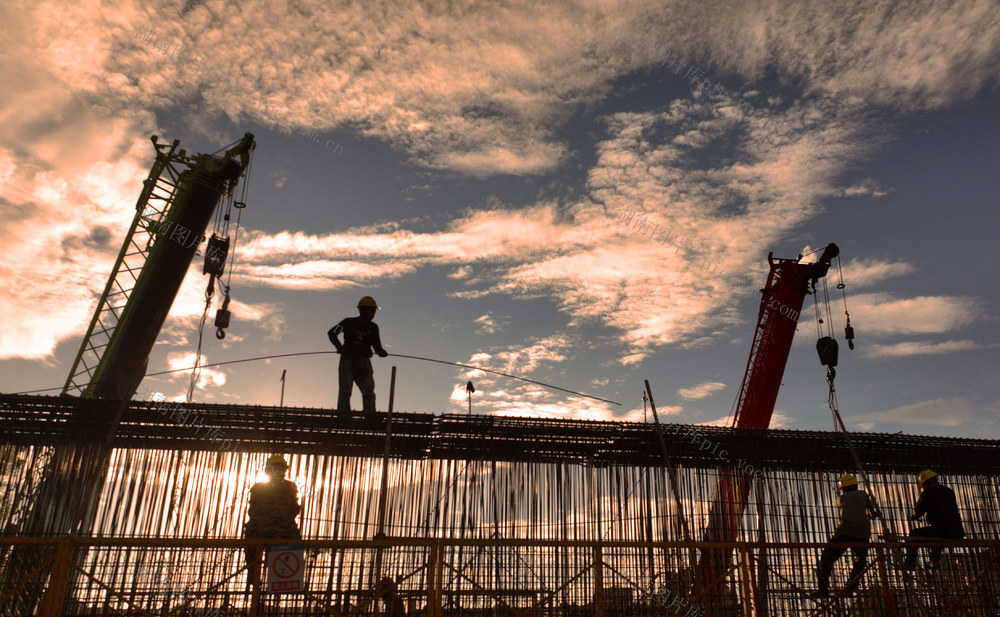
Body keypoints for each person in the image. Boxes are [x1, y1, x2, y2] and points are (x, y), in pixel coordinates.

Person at [814, 474, 881, 598]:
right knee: (860, 561)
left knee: (826, 559)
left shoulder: (840, 499)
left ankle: (823, 590)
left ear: (843, 488)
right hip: (863, 534)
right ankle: (850, 586)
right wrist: (871, 514)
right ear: (855, 485)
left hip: (844, 533)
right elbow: (873, 513)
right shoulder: (864, 495)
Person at [243, 455, 301, 587]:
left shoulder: (258, 488)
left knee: (253, 554)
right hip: (284, 532)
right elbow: (294, 509)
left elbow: (252, 511)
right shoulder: (290, 487)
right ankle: (284, 583)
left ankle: (253, 578)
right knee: (286, 561)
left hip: (259, 531)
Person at [328, 296, 389, 413]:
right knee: (345, 388)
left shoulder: (373, 327)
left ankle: (370, 415)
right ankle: (344, 416)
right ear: (362, 310)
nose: (372, 314)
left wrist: (381, 351)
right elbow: (332, 333)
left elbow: (376, 346)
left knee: (368, 388)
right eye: (371, 310)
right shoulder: (347, 322)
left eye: (374, 311)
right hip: (348, 359)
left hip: (364, 360)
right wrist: (339, 347)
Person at [903, 469, 964, 570]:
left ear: (925, 483)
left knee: (914, 534)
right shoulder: (948, 491)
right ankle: (934, 561)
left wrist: (915, 516)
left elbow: (919, 510)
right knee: (936, 537)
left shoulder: (927, 493)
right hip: (957, 531)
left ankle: (910, 563)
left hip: (941, 530)